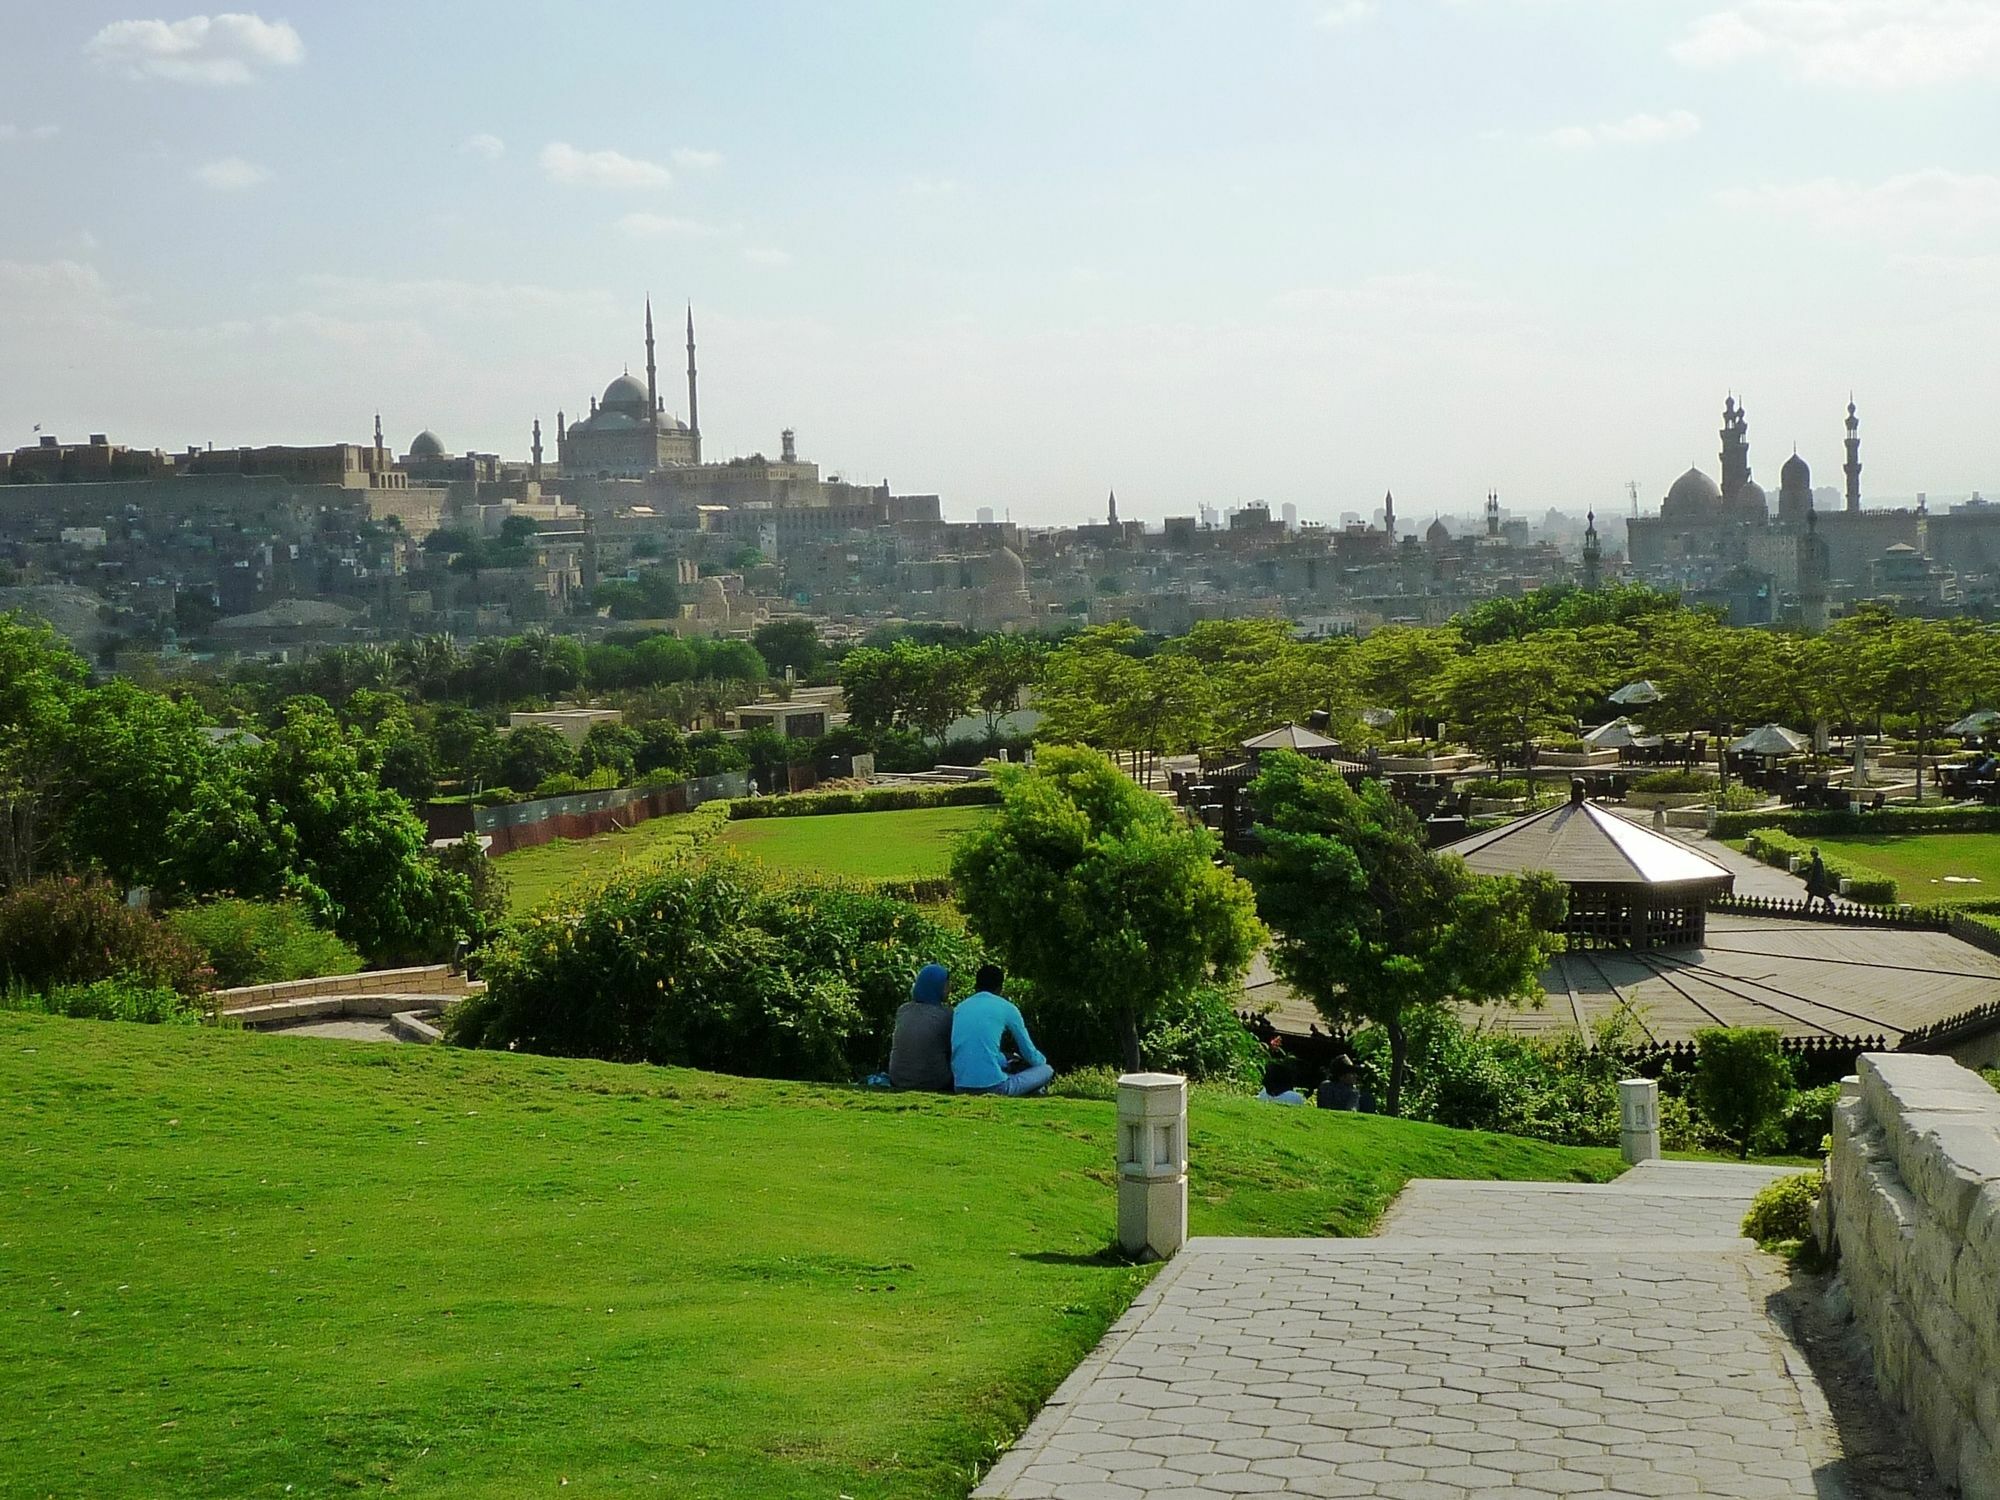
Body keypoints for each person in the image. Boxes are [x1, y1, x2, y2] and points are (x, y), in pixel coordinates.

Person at [950, 963, 1054, 1096]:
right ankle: (1036, 1089)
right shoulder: (1007, 1008)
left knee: (1002, 1060)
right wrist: (1040, 1063)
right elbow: (1029, 1053)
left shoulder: (960, 1008)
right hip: (995, 1087)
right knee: (1046, 1070)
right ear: (1000, 988)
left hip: (960, 1086)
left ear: (976, 986)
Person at [887, 963, 955, 1092]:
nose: (949, 989)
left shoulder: (903, 1010)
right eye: (947, 985)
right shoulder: (946, 1016)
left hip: (897, 1079)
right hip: (935, 1082)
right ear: (938, 986)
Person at [1804, 847, 1835, 913]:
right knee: (1811, 894)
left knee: (1822, 894)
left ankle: (1831, 905)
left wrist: (1820, 881)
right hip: (1814, 881)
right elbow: (1810, 868)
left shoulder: (1818, 861)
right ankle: (1806, 906)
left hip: (1817, 882)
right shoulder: (1815, 860)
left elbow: (1820, 872)